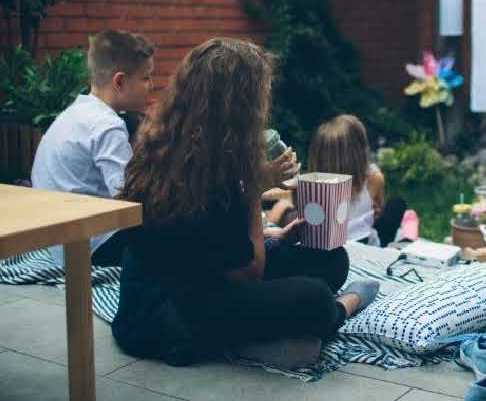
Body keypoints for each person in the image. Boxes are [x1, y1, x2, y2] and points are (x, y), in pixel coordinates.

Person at [112, 39, 378, 366]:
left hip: (201, 277)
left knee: (332, 259)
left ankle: (261, 335)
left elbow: (206, 246)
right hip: (166, 314)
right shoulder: (204, 166)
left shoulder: (177, 138)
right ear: (238, 103)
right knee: (315, 297)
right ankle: (342, 308)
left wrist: (273, 236)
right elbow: (250, 272)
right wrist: (255, 186)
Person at [31, 29, 155, 266]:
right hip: (88, 248)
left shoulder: (76, 111)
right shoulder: (107, 125)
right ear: (119, 81)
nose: (151, 85)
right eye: (146, 77)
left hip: (54, 241)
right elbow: (129, 198)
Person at [307, 114, 405, 247]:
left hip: (330, 246)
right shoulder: (374, 178)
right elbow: (378, 214)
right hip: (366, 244)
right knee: (397, 204)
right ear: (359, 152)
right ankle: (409, 231)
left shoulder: (312, 187)